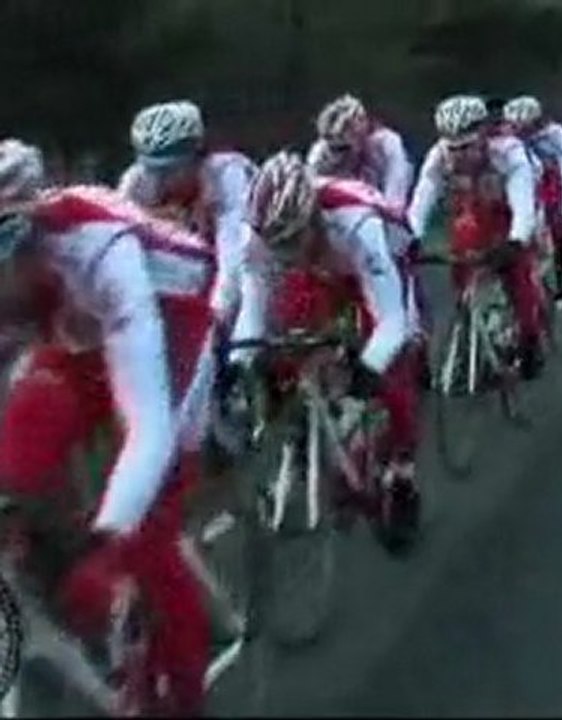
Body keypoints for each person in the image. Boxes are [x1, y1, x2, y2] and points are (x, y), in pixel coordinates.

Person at [0, 139, 216, 715]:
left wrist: (110, 535)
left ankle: (186, 687)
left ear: (28, 239)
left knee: (146, 533)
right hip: (79, 328)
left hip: (172, 317)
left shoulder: (98, 251)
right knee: (21, 452)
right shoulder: (27, 269)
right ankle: (88, 590)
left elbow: (149, 427)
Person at [237, 151, 421, 526]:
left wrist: (369, 368)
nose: (283, 251)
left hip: (377, 260)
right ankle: (311, 421)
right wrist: (242, 364)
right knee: (288, 340)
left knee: (392, 373)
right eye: (276, 243)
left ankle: (402, 468)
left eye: (291, 239)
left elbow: (392, 321)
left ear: (314, 216)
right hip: (321, 266)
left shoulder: (357, 223)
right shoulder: (259, 234)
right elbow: (252, 313)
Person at [406, 94, 546, 380]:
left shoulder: (508, 151)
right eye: (453, 147)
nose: (460, 154)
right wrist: (412, 238)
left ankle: (530, 338)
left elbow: (523, 203)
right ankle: (471, 321)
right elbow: (422, 200)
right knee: (463, 255)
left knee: (518, 275)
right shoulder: (438, 157)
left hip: (509, 210)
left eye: (467, 146)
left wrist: (517, 240)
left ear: (483, 134)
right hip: (472, 210)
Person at [306, 94, 430, 385]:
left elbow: (396, 197)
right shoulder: (320, 151)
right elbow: (307, 193)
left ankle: (414, 344)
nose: (339, 156)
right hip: (343, 221)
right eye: (333, 148)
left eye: (345, 148)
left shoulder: (387, 145)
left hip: (381, 217)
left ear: (362, 134)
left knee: (399, 281)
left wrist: (389, 228)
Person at [117, 100, 258, 339]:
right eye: (151, 169)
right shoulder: (136, 182)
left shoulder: (228, 175)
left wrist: (215, 324)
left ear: (197, 157)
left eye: (170, 170)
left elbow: (233, 264)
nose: (159, 180)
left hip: (246, 269)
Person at [503, 95, 562, 300]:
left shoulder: (555, 133)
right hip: (531, 184)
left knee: (557, 230)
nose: (522, 132)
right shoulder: (510, 140)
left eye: (527, 127)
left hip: (555, 181)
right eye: (517, 127)